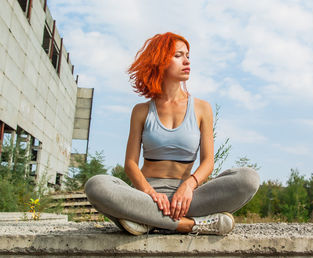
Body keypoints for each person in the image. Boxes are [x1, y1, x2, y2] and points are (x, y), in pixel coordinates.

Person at [85, 32, 260, 236]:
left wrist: (188, 186)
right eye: (178, 56)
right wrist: (149, 193)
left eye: (188, 56)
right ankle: (188, 225)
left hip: (187, 199)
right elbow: (130, 164)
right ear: (160, 60)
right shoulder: (141, 111)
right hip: (145, 195)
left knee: (248, 179)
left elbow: (208, 162)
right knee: (96, 185)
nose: (187, 61)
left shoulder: (202, 108)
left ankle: (145, 220)